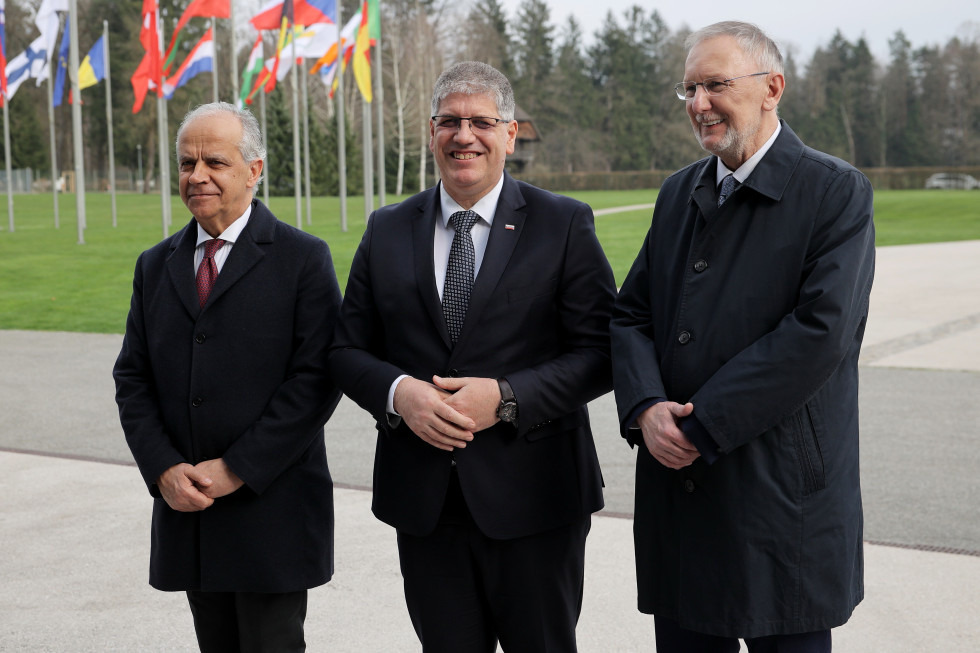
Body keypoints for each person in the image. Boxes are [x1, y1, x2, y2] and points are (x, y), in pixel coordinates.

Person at [329, 61, 616, 652]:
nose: (465, 136)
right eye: (451, 122)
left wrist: (508, 398)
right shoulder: (386, 229)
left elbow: (601, 352)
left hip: (536, 501)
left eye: (482, 121)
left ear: (510, 134)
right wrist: (399, 394)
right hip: (426, 504)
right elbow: (344, 348)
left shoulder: (562, 223)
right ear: (431, 131)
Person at [610, 21, 875, 653]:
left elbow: (819, 333)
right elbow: (630, 315)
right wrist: (646, 408)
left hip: (782, 505)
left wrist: (699, 429)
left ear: (771, 88)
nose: (699, 104)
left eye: (716, 85)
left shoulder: (834, 191)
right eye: (690, 89)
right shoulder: (679, 193)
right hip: (683, 500)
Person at [113, 102, 342, 653]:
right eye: (187, 163)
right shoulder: (155, 264)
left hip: (272, 510)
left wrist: (238, 468)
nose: (197, 176)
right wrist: (163, 468)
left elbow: (316, 381)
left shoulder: (303, 259)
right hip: (190, 508)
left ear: (254, 169)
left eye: (215, 161)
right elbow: (133, 377)